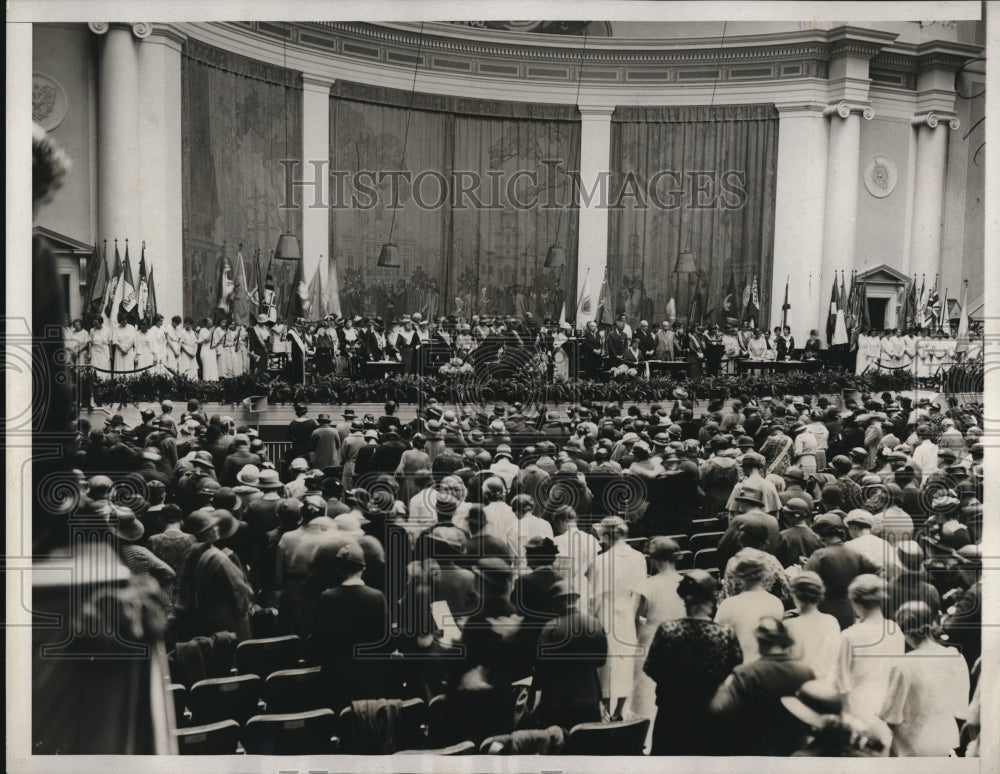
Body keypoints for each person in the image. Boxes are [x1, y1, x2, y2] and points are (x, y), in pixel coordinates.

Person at [643, 570, 743, 755]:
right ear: (711, 601)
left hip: (672, 713)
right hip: (711, 716)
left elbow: (651, 669)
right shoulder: (725, 634)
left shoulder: (667, 630)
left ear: (685, 601)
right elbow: (735, 671)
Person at [710, 617, 815, 755]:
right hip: (794, 753)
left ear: (759, 641)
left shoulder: (745, 674)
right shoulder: (806, 672)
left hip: (755, 752)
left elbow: (719, 710)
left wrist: (724, 687)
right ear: (784, 641)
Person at [879, 601, 970, 757]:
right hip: (948, 737)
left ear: (904, 630)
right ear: (932, 623)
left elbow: (891, 716)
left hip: (914, 743)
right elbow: (961, 708)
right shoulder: (954, 657)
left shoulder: (903, 664)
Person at [308, 541, 389, 710]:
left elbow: (318, 638)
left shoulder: (327, 597)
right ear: (363, 569)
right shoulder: (377, 597)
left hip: (337, 672)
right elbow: (386, 638)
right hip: (371, 672)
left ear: (338, 570)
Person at [532, 580, 608, 730]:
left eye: (554, 603)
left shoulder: (550, 628)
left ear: (563, 601)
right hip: (590, 700)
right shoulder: (595, 624)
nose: (551, 607)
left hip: (557, 703)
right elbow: (601, 661)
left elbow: (541, 666)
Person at [591, 516, 646, 720]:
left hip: (606, 611)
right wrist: (633, 617)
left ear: (606, 536)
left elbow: (595, 596)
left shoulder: (601, 560)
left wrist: (593, 618)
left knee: (605, 661)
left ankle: (604, 709)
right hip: (627, 610)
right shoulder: (639, 557)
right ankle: (618, 711)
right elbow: (640, 594)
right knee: (625, 659)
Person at [834, 575, 905, 722]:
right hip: (887, 704)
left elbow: (842, 682)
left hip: (858, 707)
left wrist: (846, 715)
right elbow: (898, 672)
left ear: (856, 603)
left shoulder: (849, 635)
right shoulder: (894, 629)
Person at [715, 554, 785, 662]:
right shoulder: (776, 602)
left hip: (739, 669)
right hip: (766, 667)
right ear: (764, 574)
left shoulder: (728, 605)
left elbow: (717, 642)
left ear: (739, 575)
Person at [782, 571, 840, 682]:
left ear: (795, 595)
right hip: (826, 684)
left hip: (799, 685)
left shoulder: (788, 625)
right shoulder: (831, 621)